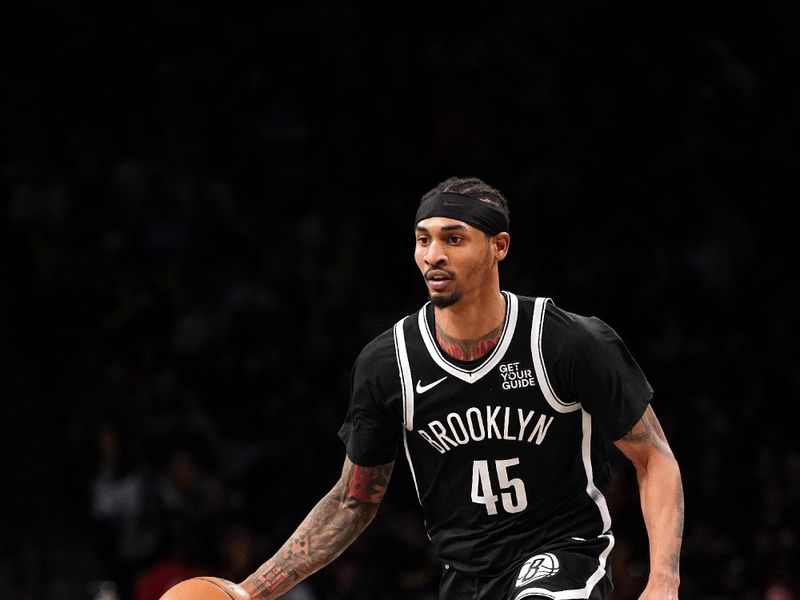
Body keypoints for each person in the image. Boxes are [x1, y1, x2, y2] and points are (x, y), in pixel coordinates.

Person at [238, 177, 684, 599]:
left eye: (453, 239)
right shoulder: (388, 363)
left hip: (565, 551)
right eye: (423, 239)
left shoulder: (567, 342)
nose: (433, 254)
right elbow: (352, 502)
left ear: (499, 246)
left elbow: (654, 457)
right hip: (465, 575)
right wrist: (248, 591)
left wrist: (664, 579)